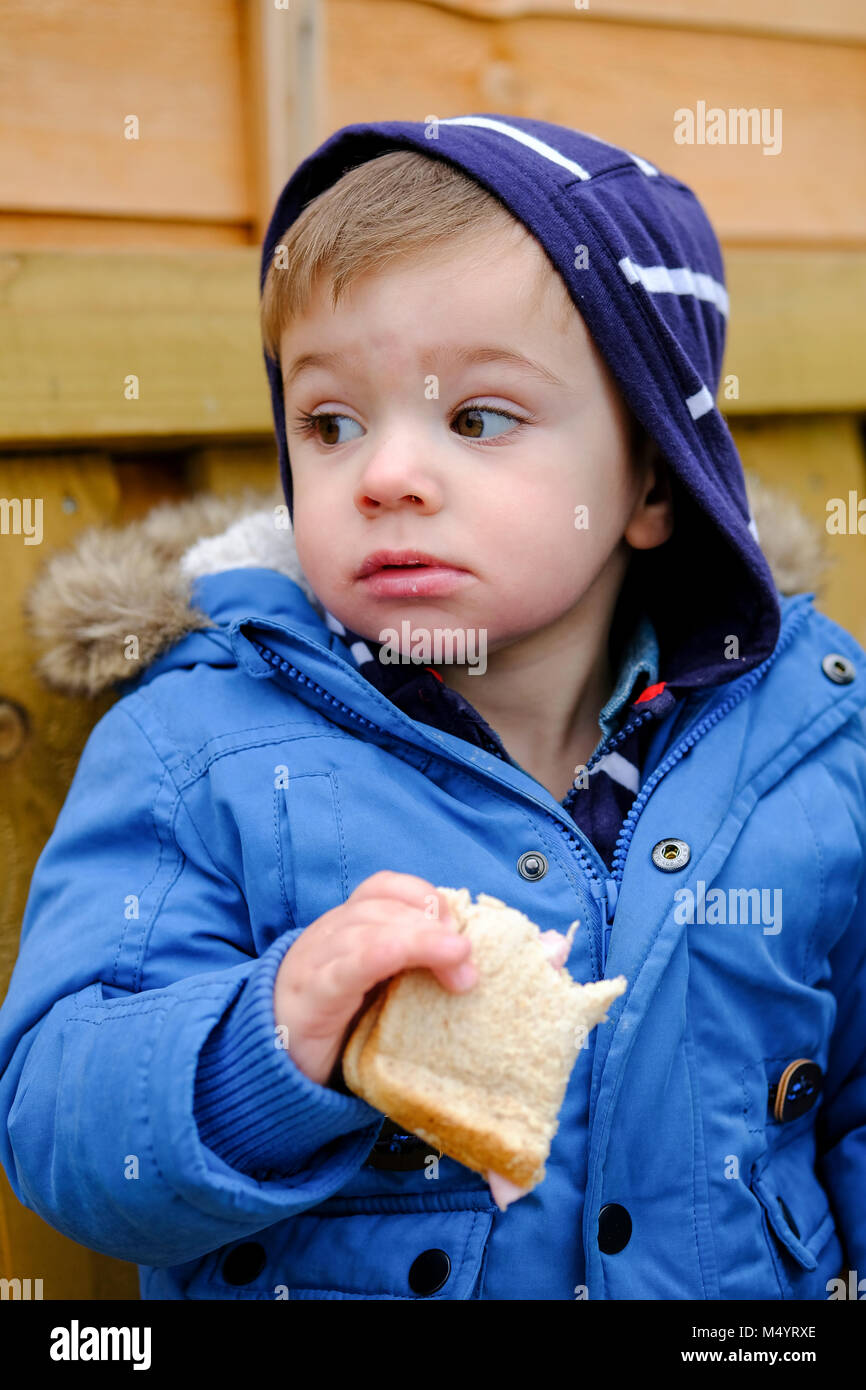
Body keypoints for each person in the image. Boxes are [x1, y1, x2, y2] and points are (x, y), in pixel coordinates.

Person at [1, 115, 863, 1300]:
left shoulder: (806, 738)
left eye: (474, 419)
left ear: (652, 473)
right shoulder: (196, 743)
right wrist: (273, 1041)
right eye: (331, 423)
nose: (384, 474)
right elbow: (62, 1127)